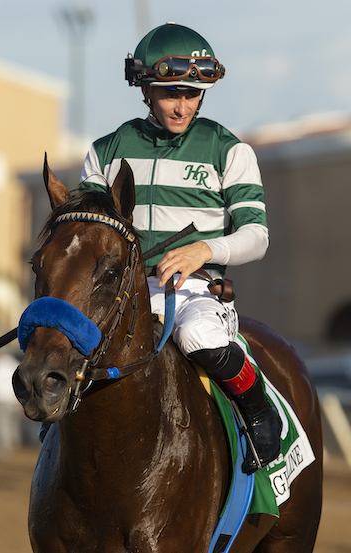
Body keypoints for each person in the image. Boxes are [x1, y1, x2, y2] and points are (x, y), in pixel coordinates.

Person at [80, 22, 281, 474]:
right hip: (121, 293)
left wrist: (202, 252)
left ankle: (259, 412)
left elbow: (257, 237)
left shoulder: (229, 150)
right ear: (146, 88)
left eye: (192, 93)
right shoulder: (106, 151)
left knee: (197, 338)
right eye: (171, 92)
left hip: (194, 292)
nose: (183, 105)